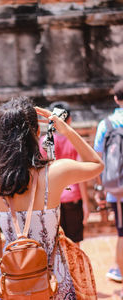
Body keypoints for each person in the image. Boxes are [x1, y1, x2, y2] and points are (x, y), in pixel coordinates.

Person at [0, 97, 104, 299]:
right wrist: (65, 130)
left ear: (0, 137)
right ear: (37, 133)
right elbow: (97, 164)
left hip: (12, 282)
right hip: (54, 280)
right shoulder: (55, 172)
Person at [39, 102, 89, 246]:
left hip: (52, 199)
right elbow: (82, 176)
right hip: (73, 197)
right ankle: (74, 269)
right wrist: (86, 203)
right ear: (70, 120)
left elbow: (41, 174)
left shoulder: (44, 142)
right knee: (74, 244)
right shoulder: (75, 141)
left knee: (55, 244)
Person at [94, 80, 123, 297]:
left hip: (118, 190)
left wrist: (98, 187)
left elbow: (98, 158)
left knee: (122, 235)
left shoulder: (107, 124)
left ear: (115, 98)